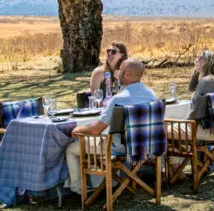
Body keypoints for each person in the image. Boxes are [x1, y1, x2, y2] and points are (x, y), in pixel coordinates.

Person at [64, 58, 158, 196]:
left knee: (71, 148)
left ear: (127, 75)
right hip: (145, 146)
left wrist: (79, 129)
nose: (118, 73)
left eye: (121, 71)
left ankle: (79, 190)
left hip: (119, 149)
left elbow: (96, 130)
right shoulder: (151, 95)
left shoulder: (119, 99)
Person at [188, 50, 214, 141]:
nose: (197, 61)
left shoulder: (206, 81)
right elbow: (191, 89)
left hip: (207, 130)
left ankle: (195, 154)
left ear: (207, 62)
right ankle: (204, 155)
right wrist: (196, 72)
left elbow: (196, 112)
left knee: (166, 129)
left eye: (200, 58)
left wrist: (186, 121)